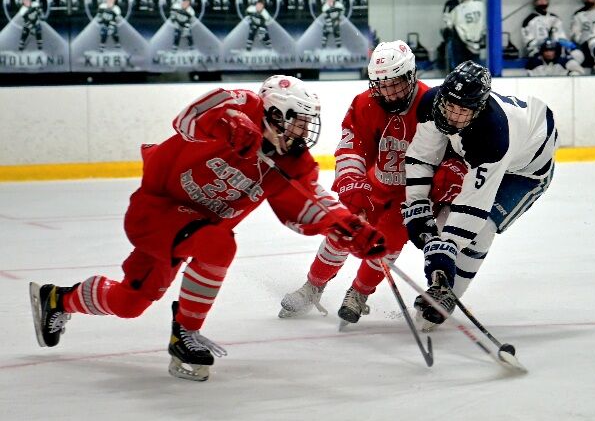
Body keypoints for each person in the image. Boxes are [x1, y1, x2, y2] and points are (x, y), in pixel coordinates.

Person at [29, 75, 386, 382]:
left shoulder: (289, 161)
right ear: (276, 112)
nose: (303, 131)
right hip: (156, 213)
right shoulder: (240, 106)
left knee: (130, 302)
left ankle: (59, 299)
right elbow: (188, 118)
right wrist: (227, 124)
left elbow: (308, 203)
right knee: (219, 246)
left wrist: (348, 227)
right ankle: (185, 332)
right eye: (299, 122)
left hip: (191, 228)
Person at [279, 41, 465, 326]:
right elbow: (351, 148)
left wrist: (447, 176)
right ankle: (313, 286)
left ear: (411, 75)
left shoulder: (433, 104)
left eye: (395, 85)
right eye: (381, 85)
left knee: (388, 242)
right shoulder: (364, 103)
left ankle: (359, 292)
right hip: (372, 187)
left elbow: (455, 150)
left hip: (411, 196)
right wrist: (353, 184)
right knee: (343, 232)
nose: (388, 94)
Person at [403, 61, 557, 331]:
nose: (452, 116)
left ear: (479, 108)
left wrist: (447, 248)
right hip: (491, 150)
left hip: (526, 170)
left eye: (463, 111)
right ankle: (443, 283)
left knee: (482, 229)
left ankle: (447, 296)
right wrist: (417, 205)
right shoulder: (433, 102)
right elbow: (422, 157)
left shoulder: (493, 133)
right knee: (442, 219)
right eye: (449, 105)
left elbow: (473, 208)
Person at [522, 0, 583, 65]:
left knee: (577, 54)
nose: (542, 1)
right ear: (535, 2)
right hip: (539, 52)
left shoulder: (555, 18)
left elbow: (561, 37)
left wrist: (565, 43)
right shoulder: (529, 20)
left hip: (555, 51)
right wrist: (541, 44)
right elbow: (528, 42)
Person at [441, 0, 486, 71]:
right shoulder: (451, 5)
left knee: (476, 72)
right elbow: (447, 25)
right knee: (458, 72)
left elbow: (483, 23)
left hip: (476, 43)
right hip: (459, 45)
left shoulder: (479, 3)